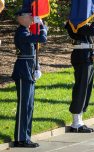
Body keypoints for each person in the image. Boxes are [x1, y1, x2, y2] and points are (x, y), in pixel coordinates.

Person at [12, 10, 47, 148]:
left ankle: (26, 137)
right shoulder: (22, 32)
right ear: (21, 19)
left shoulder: (26, 31)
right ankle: (20, 139)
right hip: (22, 71)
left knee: (29, 106)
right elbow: (42, 39)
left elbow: (32, 50)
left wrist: (36, 66)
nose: (32, 18)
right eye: (29, 16)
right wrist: (43, 26)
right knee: (24, 106)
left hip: (29, 70)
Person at [65, 15, 94, 132]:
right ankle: (75, 122)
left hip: (86, 55)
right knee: (81, 88)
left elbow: (89, 34)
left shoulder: (81, 22)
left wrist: (93, 51)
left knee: (87, 88)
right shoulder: (75, 22)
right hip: (81, 56)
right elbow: (92, 31)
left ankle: (79, 120)